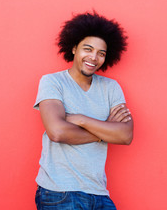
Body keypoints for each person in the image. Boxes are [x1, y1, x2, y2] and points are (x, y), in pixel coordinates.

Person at [33, 11, 133, 210]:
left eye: (101, 53)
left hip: (99, 193)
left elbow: (125, 135)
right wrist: (104, 132)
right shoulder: (53, 82)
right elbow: (58, 132)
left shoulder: (110, 87)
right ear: (73, 48)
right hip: (59, 191)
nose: (94, 57)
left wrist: (80, 119)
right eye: (88, 49)